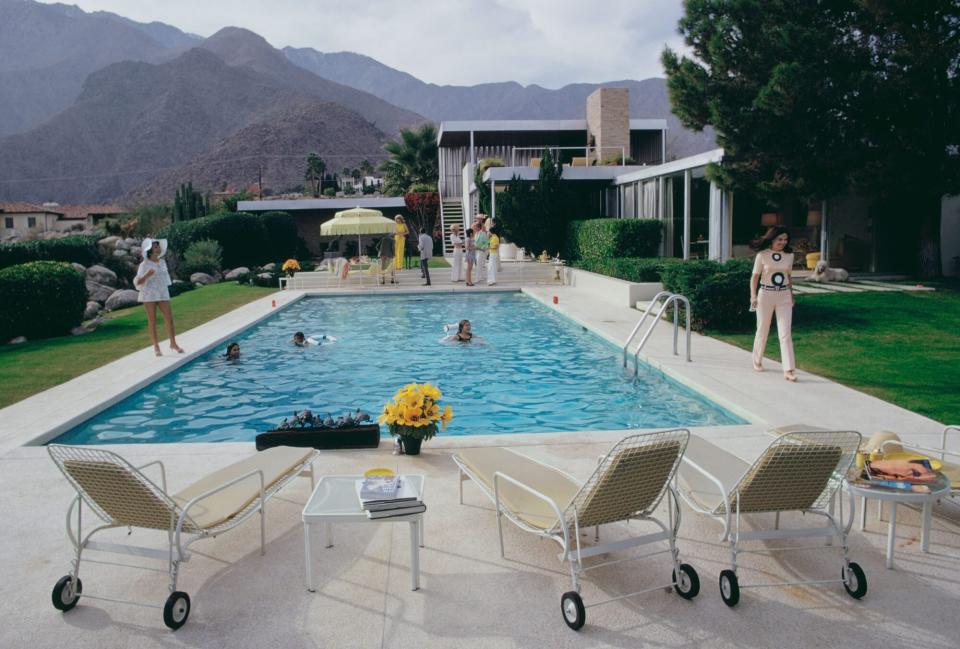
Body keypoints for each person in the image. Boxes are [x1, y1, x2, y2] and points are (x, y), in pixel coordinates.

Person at [750, 226, 797, 382]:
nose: (783, 242)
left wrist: (791, 294)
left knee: (785, 333)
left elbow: (788, 277)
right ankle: (757, 360)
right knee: (762, 330)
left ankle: (789, 369)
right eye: (780, 239)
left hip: (784, 296)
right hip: (765, 295)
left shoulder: (789, 256)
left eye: (785, 239)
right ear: (772, 239)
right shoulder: (762, 255)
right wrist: (753, 296)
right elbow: (755, 278)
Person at [134, 238, 183, 357]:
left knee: (169, 319)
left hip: (162, 293)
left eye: (158, 246)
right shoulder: (144, 264)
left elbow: (165, 279)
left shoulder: (162, 262)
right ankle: (156, 347)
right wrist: (147, 275)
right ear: (150, 250)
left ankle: (173, 343)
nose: (158, 247)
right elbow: (138, 281)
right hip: (149, 294)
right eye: (155, 246)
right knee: (152, 321)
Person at [474, 218, 489, 282]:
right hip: (476, 251)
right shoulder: (476, 234)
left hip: (481, 251)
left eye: (475, 227)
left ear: (478, 227)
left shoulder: (483, 234)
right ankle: (481, 276)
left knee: (479, 265)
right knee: (478, 264)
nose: (474, 228)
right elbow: (475, 242)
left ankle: (478, 278)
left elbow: (486, 243)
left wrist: (481, 248)